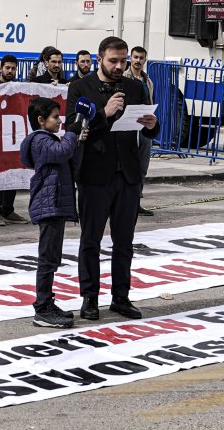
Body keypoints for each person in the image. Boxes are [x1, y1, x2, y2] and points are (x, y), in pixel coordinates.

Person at [66, 36, 158, 321]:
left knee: (124, 241)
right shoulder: (80, 87)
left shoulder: (134, 86)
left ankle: (121, 297)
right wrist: (103, 115)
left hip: (127, 175)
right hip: (95, 175)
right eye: (113, 61)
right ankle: (90, 298)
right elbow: (72, 128)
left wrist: (153, 125)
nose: (120, 66)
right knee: (91, 240)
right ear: (99, 59)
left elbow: (148, 129)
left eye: (123, 61)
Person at [20, 97, 85, 328]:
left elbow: (70, 158)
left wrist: (78, 140)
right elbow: (62, 151)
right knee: (47, 259)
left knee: (53, 258)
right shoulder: (39, 140)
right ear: (41, 120)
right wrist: (72, 133)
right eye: (55, 117)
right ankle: (42, 308)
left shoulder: (51, 140)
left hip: (55, 205)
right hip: (48, 205)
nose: (60, 121)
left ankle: (47, 302)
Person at [0, 54, 24, 225]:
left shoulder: (19, 89)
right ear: (0, 68)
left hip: (13, 137)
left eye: (13, 68)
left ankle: (8, 210)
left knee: (12, 174)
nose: (10, 71)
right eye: (7, 68)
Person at [124, 46, 157, 217]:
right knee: (128, 165)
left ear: (145, 60)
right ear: (130, 58)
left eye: (141, 58)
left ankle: (136, 201)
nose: (137, 60)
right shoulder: (124, 78)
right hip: (129, 126)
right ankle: (124, 202)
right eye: (135, 57)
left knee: (142, 167)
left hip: (144, 127)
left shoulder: (148, 81)